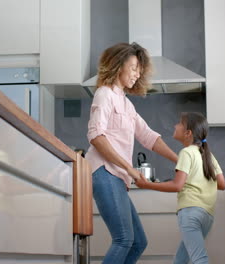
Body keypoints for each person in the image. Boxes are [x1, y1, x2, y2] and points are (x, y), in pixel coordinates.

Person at [86, 42, 178, 264]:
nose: (137, 74)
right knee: (124, 239)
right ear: (118, 64)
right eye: (134, 67)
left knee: (138, 242)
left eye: (140, 70)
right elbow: (96, 136)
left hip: (118, 176)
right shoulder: (104, 94)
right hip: (104, 172)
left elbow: (148, 136)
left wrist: (180, 159)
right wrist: (129, 168)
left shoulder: (126, 105)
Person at [135, 112, 225, 264]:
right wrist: (199, 179)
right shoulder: (208, 155)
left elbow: (177, 185)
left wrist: (146, 184)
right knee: (180, 260)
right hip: (207, 216)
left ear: (187, 133)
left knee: (199, 258)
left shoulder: (186, 152)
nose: (174, 125)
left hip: (190, 212)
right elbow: (222, 184)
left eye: (179, 123)